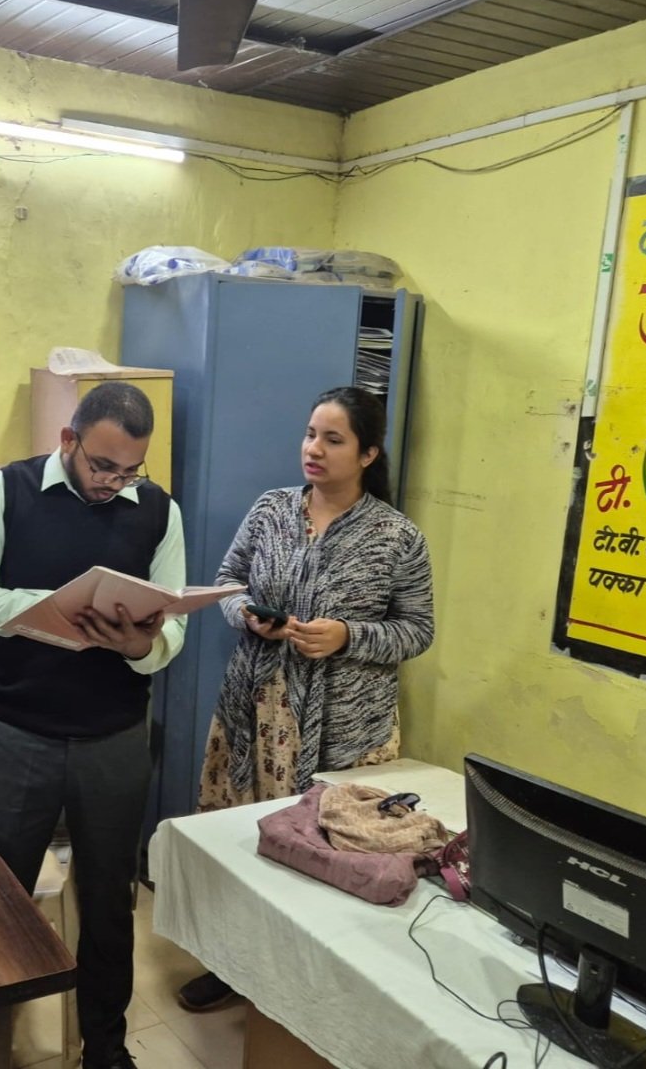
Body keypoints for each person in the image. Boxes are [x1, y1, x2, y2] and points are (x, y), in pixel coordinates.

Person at [0, 381, 186, 1069]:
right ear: (68, 440)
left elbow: (172, 628)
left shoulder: (158, 511)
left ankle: (104, 1049)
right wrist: (50, 606)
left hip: (115, 739)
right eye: (102, 465)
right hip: (21, 733)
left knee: (108, 903)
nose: (114, 482)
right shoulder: (10, 491)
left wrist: (140, 645)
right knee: (0, 901)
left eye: (129, 470)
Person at [176, 385, 435, 1012]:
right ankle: (231, 964)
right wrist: (248, 615)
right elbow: (228, 584)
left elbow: (418, 630)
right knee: (247, 843)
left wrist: (349, 636)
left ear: (368, 454)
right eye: (311, 434)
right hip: (256, 711)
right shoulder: (271, 509)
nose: (313, 449)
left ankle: (302, 987)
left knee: (322, 855)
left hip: (345, 728)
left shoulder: (397, 537)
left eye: (333, 439)